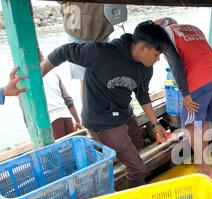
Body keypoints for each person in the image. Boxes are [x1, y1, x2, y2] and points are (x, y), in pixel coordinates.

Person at [40, 21, 170, 188]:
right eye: (157, 54)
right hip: (101, 120)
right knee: (138, 169)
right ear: (143, 47)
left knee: (138, 142)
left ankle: (116, 158)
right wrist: (37, 77)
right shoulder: (101, 53)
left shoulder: (146, 68)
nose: (158, 59)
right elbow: (63, 52)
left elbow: (142, 95)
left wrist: (155, 123)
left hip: (123, 112)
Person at [155, 17, 212, 178]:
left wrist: (185, 94)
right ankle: (204, 159)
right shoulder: (193, 28)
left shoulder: (165, 34)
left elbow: (175, 64)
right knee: (203, 120)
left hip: (198, 82)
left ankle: (204, 167)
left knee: (189, 126)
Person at [60, 2, 115, 98]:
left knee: (108, 76)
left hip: (101, 29)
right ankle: (89, 111)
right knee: (85, 81)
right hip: (77, 30)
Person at [38, 49, 83, 139]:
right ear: (42, 59)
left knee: (58, 151)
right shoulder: (54, 75)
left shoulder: (25, 82)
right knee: (71, 148)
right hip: (66, 116)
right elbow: (68, 100)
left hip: (50, 121)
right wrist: (77, 121)